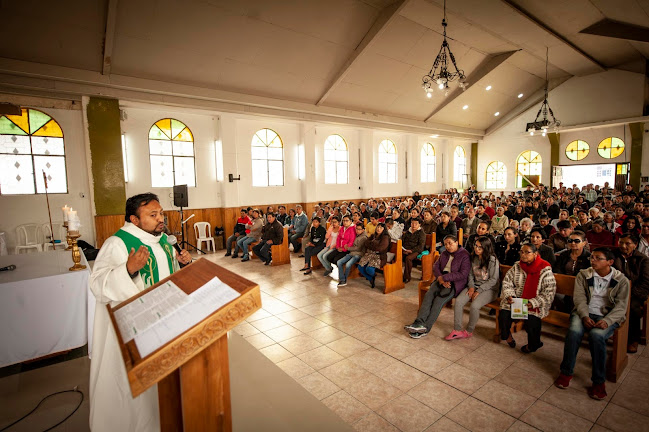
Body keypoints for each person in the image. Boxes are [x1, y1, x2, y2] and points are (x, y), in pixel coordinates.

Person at [89, 193, 192, 432]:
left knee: (164, 391)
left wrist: (184, 264)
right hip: (133, 331)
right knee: (136, 399)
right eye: (153, 215)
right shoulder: (117, 243)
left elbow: (169, 277)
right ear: (134, 220)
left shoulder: (164, 241)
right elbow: (97, 284)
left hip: (165, 326)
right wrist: (128, 269)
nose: (160, 220)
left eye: (161, 214)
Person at [555, 248, 630, 400]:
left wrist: (607, 320)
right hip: (584, 312)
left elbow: (621, 307)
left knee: (596, 336)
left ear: (610, 262)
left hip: (607, 315)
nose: (593, 260)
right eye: (592, 257)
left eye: (598, 258)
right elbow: (579, 298)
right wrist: (584, 315)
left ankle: (598, 381)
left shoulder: (621, 280)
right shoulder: (584, 274)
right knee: (574, 332)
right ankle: (566, 372)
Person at [404, 235, 470, 339]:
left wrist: (445, 278)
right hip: (440, 280)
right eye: (446, 244)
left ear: (457, 242)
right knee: (429, 295)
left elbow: (463, 274)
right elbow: (436, 266)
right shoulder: (444, 253)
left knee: (438, 301)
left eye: (450, 243)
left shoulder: (464, 255)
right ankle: (418, 323)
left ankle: (425, 328)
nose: (448, 246)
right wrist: (440, 278)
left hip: (454, 283)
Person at [498, 243, 557, 353]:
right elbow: (507, 282)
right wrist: (510, 295)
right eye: (522, 252)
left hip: (534, 303)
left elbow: (549, 292)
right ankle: (507, 336)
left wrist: (533, 303)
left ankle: (534, 344)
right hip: (516, 300)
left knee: (532, 321)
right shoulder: (517, 266)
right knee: (504, 314)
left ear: (535, 254)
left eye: (527, 252)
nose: (523, 255)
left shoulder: (545, 269)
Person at [446, 236, 500, 340]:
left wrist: (479, 290)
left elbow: (493, 280)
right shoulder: (473, 257)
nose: (476, 249)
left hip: (490, 289)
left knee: (475, 306)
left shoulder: (492, 260)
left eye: (480, 247)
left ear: (486, 248)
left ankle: (469, 331)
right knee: (459, 301)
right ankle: (457, 330)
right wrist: (471, 287)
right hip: (474, 285)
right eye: (476, 246)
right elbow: (470, 275)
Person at [612, 234, 649, 353]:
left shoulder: (643, 259)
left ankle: (634, 339)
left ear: (635, 245)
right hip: (615, 290)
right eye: (621, 242)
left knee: (632, 307)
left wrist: (629, 294)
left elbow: (645, 282)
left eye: (627, 243)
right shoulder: (613, 255)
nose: (623, 246)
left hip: (636, 292)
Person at [357, 222, 391, 288]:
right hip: (369, 254)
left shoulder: (385, 237)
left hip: (379, 256)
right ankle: (371, 278)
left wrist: (371, 246)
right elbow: (366, 243)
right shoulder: (373, 235)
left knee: (369, 269)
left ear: (384, 229)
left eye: (381, 227)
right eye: (378, 227)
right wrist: (373, 246)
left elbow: (380, 248)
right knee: (360, 267)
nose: (378, 229)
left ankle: (372, 276)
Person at [401, 217, 426, 283]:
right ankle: (394, 274)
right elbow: (403, 241)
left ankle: (407, 277)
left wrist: (411, 251)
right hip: (406, 249)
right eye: (412, 223)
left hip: (415, 250)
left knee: (408, 258)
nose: (413, 225)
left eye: (416, 223)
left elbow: (421, 246)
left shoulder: (421, 233)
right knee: (396, 255)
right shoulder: (408, 231)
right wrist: (404, 249)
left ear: (419, 224)